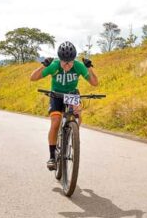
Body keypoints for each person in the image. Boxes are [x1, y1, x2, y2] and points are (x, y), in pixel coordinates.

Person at [30, 41, 99, 170]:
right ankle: (52, 157)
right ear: (59, 59)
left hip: (71, 95)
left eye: (70, 62)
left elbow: (94, 83)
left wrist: (89, 67)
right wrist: (43, 66)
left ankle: (73, 136)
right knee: (56, 122)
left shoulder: (78, 66)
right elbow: (33, 78)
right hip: (56, 95)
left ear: (74, 60)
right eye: (64, 62)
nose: (67, 65)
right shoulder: (54, 65)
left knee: (78, 115)